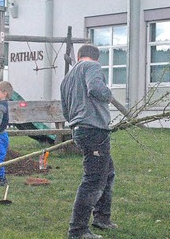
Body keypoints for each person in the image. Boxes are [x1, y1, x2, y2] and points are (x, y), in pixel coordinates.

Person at [61, 44, 116, 239]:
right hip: (94, 131)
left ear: (79, 55)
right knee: (92, 181)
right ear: (96, 58)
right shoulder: (93, 67)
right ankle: (78, 231)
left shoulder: (67, 78)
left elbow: (65, 111)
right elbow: (96, 88)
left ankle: (102, 217)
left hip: (79, 129)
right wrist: (108, 95)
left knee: (107, 172)